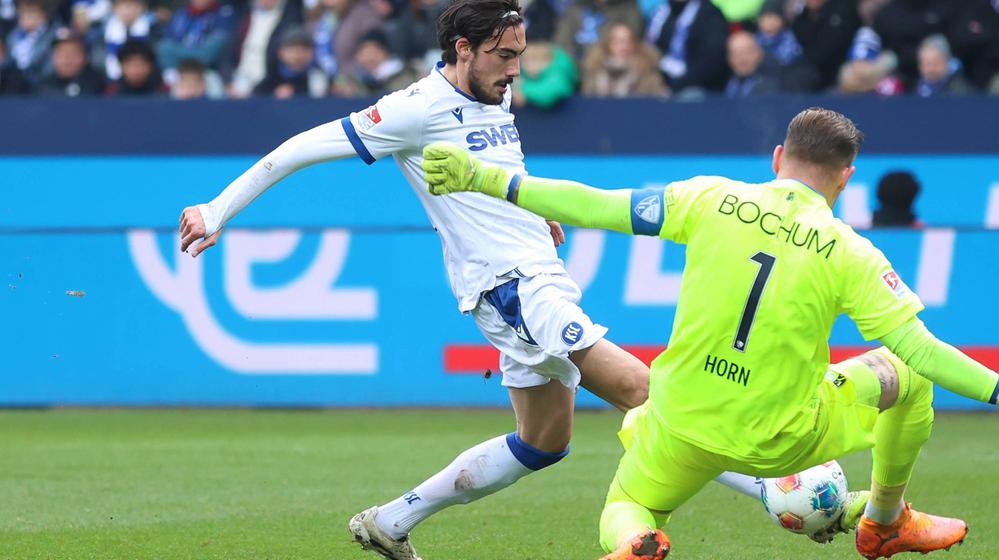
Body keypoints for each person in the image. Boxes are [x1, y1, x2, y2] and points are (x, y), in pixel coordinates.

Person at [176, 3, 817, 558]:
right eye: (504, 56)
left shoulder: (495, 92)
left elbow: (502, 162)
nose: (515, 70)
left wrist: (532, 211)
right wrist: (216, 209)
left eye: (519, 55)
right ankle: (772, 491)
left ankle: (390, 522)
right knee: (641, 388)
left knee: (544, 441)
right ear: (464, 49)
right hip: (510, 285)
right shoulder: (413, 109)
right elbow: (297, 150)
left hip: (534, 269)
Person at [419, 107, 999, 560]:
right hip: (783, 438)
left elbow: (594, 206)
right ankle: (885, 521)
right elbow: (921, 348)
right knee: (909, 377)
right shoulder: (851, 253)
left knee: (630, 503)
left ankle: (635, 543)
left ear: (779, 156)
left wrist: (485, 177)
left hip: (681, 419)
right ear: (846, 177)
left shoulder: (708, 198)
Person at [579, 20, 668, 98]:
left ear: (635, 44)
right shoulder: (594, 72)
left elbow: (660, 101)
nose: (623, 46)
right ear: (607, 45)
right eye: (617, 41)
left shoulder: (648, 74)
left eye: (628, 41)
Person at [252, 27, 328, 98]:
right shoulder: (270, 80)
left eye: (304, 49)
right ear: (281, 52)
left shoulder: (321, 79)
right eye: (293, 49)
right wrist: (274, 95)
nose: (298, 54)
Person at [37, 30, 105, 96]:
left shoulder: (101, 86)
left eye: (73, 53)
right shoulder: (44, 87)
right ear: (53, 57)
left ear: (86, 56)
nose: (67, 60)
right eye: (62, 53)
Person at [724, 30, 779, 97]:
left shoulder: (773, 87)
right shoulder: (728, 85)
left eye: (747, 52)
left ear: (759, 53)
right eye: (736, 54)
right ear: (729, 59)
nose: (742, 59)